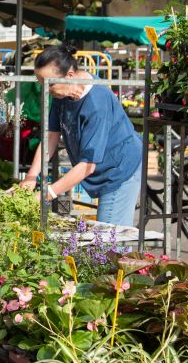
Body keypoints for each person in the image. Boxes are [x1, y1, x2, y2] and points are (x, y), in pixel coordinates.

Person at [20, 44, 143, 227]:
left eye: (49, 83)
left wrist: (48, 193)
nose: (46, 88)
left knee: (107, 239)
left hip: (119, 169)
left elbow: (87, 166)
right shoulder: (62, 94)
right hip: (100, 168)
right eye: (41, 83)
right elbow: (50, 136)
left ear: (69, 76)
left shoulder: (96, 102)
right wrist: (30, 178)